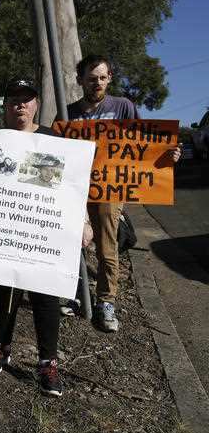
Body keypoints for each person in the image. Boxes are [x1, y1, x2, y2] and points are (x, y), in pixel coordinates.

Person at [0, 78, 93, 397]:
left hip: (42, 233)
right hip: (4, 230)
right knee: (3, 292)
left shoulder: (50, 140)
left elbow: (69, 187)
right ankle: (1, 346)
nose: (21, 104)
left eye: (27, 98)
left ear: (36, 105)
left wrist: (84, 220)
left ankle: (48, 361)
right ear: (5, 105)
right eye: (14, 98)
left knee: (46, 296)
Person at [65, 55, 181, 331]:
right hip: (77, 189)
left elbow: (141, 143)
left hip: (109, 189)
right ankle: (74, 292)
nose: (98, 83)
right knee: (70, 243)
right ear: (81, 80)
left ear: (110, 79)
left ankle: (106, 301)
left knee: (107, 246)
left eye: (103, 78)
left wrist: (167, 155)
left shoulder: (123, 106)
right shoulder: (67, 111)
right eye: (92, 78)